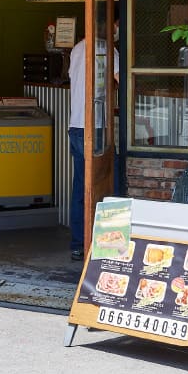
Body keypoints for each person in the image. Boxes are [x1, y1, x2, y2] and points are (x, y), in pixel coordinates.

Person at [68, 14, 119, 261]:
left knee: (81, 186)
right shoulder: (107, 49)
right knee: (107, 183)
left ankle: (78, 243)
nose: (115, 29)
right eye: (115, 25)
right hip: (98, 126)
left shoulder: (77, 49)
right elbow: (123, 81)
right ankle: (107, 244)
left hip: (76, 125)